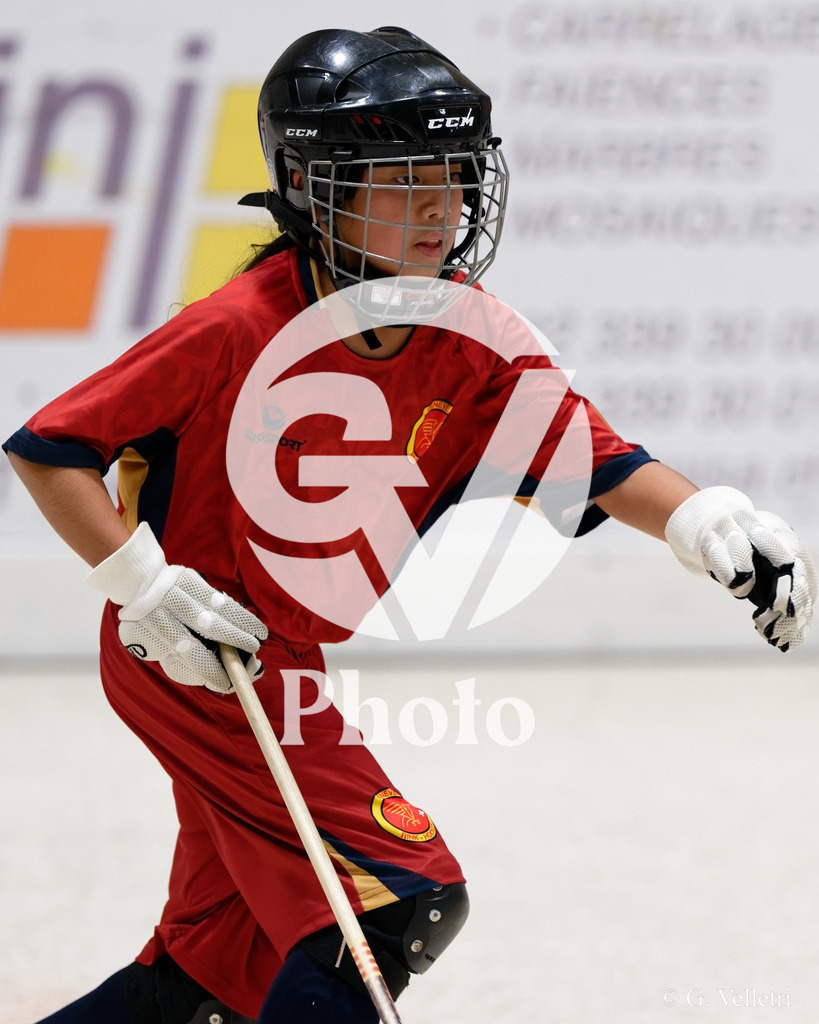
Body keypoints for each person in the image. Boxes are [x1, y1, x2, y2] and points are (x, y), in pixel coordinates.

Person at [3, 24, 815, 1024]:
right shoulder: (235, 328)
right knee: (397, 904)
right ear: (313, 186)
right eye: (400, 177)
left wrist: (705, 517)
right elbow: (49, 449)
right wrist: (147, 585)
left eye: (455, 171)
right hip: (200, 660)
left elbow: (597, 457)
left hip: (286, 660)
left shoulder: (469, 337)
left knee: (211, 973)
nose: (442, 204)